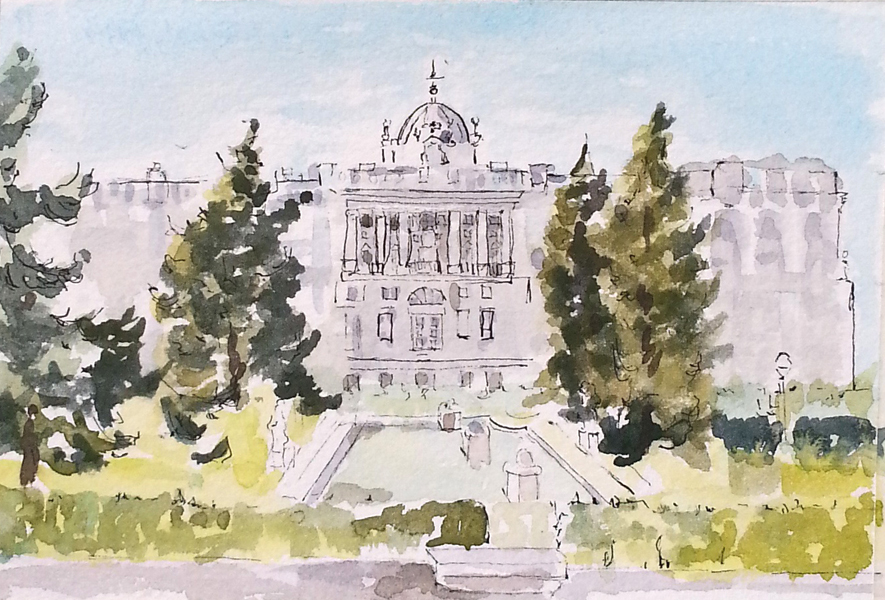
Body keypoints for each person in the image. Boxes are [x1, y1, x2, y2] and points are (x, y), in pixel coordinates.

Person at [19, 404, 39, 487]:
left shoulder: (29, 423)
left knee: (29, 462)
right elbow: (28, 435)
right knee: (30, 463)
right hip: (29, 447)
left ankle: (27, 480)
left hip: (29, 447)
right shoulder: (29, 423)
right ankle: (28, 480)